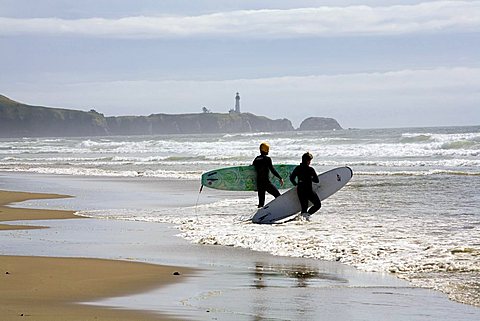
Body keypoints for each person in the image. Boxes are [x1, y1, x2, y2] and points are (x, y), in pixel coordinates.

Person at [289, 152, 321, 221]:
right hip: (308, 190)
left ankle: (302, 219)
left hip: (300, 190)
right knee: (317, 205)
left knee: (304, 208)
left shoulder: (298, 168)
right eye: (310, 160)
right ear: (307, 161)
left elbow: (291, 178)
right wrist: (311, 177)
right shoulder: (310, 170)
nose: (310, 162)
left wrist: (296, 185)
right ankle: (307, 216)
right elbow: (316, 180)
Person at [252, 142, 284, 208]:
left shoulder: (256, 159)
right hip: (266, 183)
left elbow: (252, 169)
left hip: (259, 183)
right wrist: (280, 178)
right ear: (266, 150)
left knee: (261, 203)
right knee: (278, 196)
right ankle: (279, 209)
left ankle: (259, 216)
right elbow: (272, 170)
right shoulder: (267, 159)